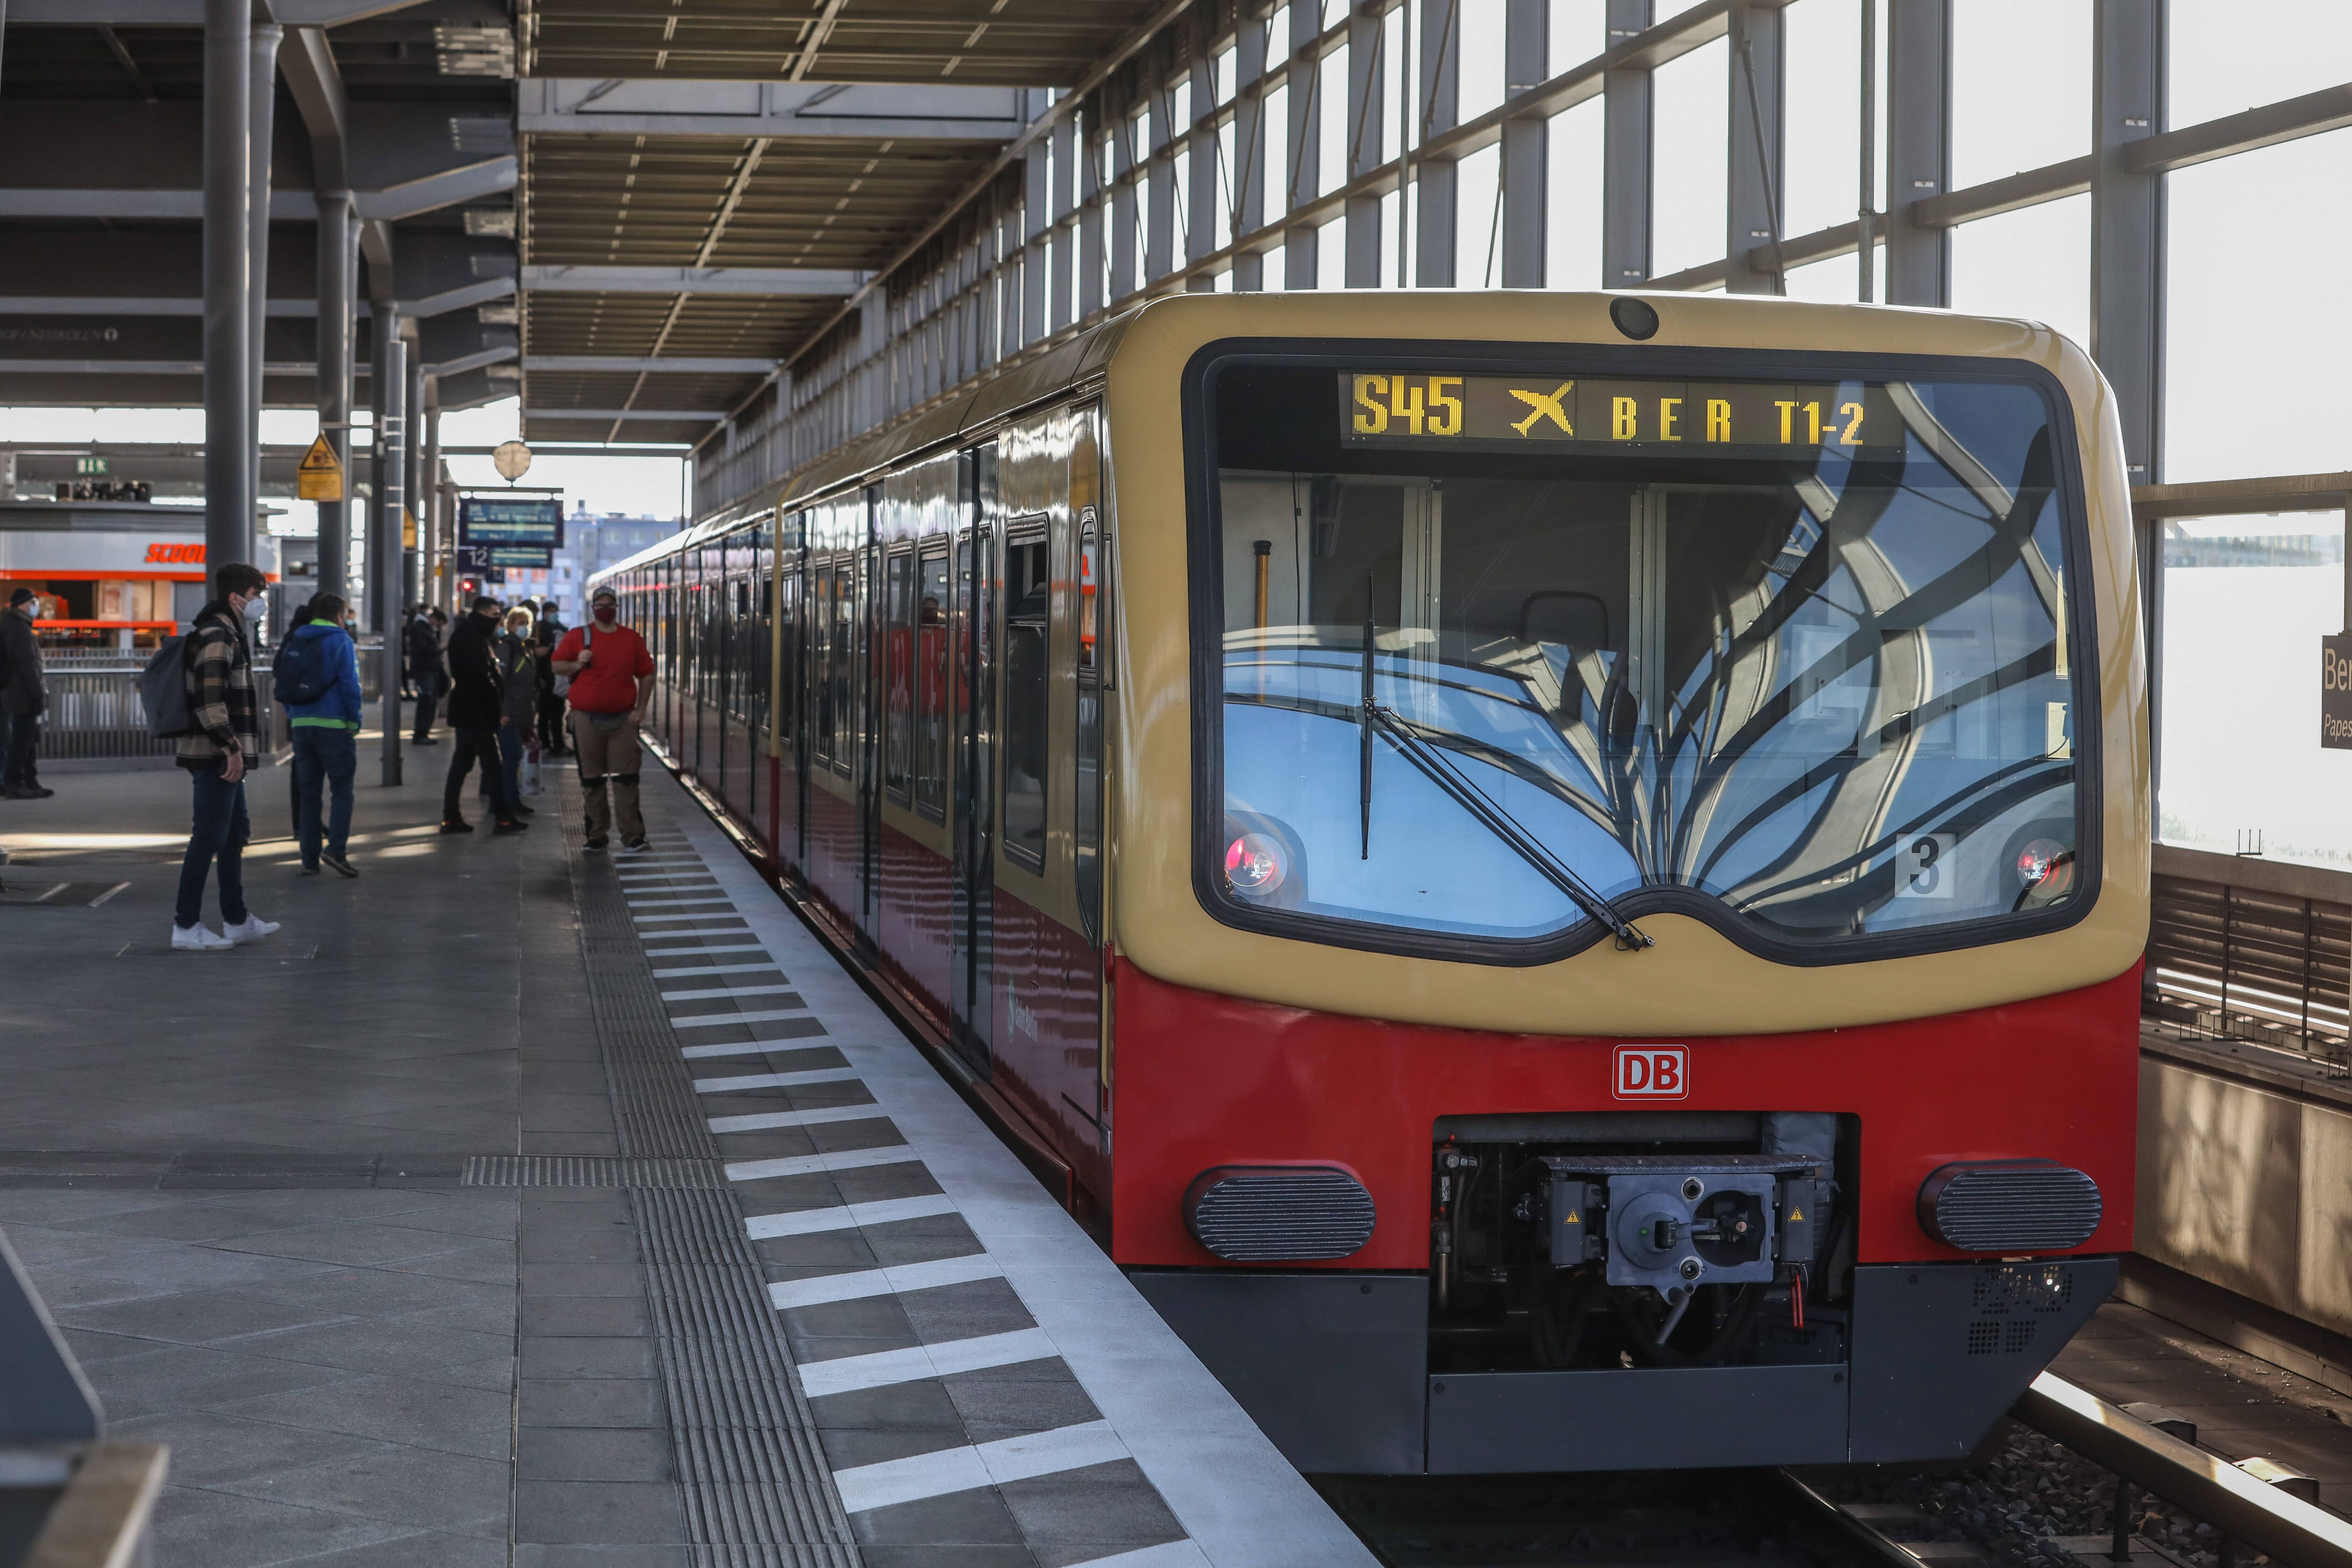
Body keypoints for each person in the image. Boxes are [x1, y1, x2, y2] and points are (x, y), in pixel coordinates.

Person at [173, 563, 280, 951]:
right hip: (215, 753)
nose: (261, 603)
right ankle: (186, 925)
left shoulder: (229, 632)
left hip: (224, 753)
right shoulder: (218, 634)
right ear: (236, 597)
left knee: (234, 834)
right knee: (208, 837)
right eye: (257, 595)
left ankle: (236, 919)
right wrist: (231, 747)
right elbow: (209, 699)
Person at [551, 584, 654, 854]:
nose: (605, 609)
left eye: (609, 605)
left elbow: (646, 674)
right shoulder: (577, 637)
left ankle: (633, 836)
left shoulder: (631, 639)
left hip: (623, 719)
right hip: (585, 718)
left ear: (616, 608)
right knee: (592, 780)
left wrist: (641, 709)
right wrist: (578, 664)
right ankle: (597, 835)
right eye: (600, 605)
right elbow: (556, 665)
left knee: (626, 779)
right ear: (593, 608)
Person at [283, 592, 362, 877]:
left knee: (309, 795)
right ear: (340, 616)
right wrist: (355, 721)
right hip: (334, 727)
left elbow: (286, 681)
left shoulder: (297, 638)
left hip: (302, 726)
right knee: (342, 792)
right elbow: (350, 686)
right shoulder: (341, 641)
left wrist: (295, 716)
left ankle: (309, 859)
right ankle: (336, 851)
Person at [441, 595, 526, 836]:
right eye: (494, 614)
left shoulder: (475, 636)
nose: (498, 619)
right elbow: (478, 678)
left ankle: (452, 817)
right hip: (476, 713)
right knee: (492, 766)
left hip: (469, 712)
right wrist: (495, 705)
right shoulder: (471, 639)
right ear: (481, 613)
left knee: (462, 764)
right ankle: (503, 818)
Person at [1, 587, 51, 799]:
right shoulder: (20, 629)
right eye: (33, 603)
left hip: (11, 692)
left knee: (25, 739)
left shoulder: (10, 625)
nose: (35, 607)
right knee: (23, 741)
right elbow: (28, 666)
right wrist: (38, 695)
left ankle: (28, 782)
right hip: (21, 693)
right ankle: (17, 783)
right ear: (22, 605)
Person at [490, 605, 539, 818]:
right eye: (521, 623)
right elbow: (500, 682)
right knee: (512, 757)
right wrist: (503, 711)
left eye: (527, 624)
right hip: (510, 713)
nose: (525, 628)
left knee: (514, 758)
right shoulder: (507, 648)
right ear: (510, 626)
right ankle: (508, 802)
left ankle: (506, 800)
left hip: (522, 711)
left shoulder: (523, 647)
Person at [534, 604, 569, 755]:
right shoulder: (539, 629)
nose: (554, 615)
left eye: (556, 612)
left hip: (559, 677)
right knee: (544, 713)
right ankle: (545, 743)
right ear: (545, 613)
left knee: (558, 713)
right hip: (544, 677)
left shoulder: (562, 629)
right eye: (551, 612)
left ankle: (559, 743)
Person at [407, 606, 445, 744]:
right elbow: (423, 650)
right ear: (434, 619)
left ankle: (423, 732)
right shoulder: (420, 629)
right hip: (425, 670)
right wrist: (438, 648)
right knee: (427, 701)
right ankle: (421, 733)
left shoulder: (425, 629)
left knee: (430, 702)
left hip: (430, 669)